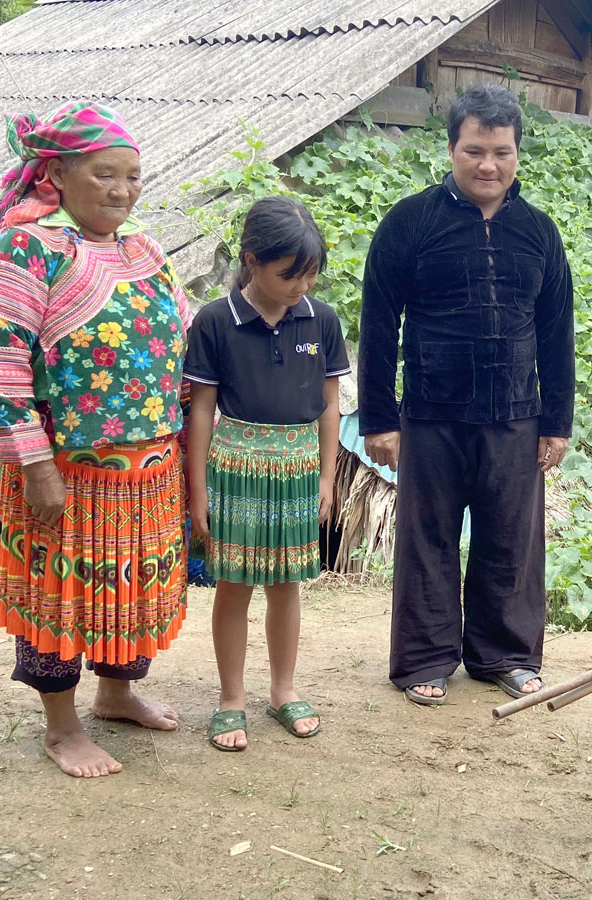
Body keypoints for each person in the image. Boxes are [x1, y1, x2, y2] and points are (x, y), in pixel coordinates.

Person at [0, 101, 190, 777]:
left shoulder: (144, 249)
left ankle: (117, 694)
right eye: (105, 174)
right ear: (58, 175)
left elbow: (186, 345)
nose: (123, 190)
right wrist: (34, 466)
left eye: (132, 176)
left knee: (130, 588)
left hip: (150, 469)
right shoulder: (26, 249)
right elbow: (0, 364)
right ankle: (62, 727)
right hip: (66, 471)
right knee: (63, 593)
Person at [358, 83, 575, 706]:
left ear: (516, 154)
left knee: (510, 539)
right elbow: (379, 325)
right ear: (451, 149)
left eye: (502, 152)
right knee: (427, 539)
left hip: (516, 416)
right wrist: (380, 419)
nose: (489, 165)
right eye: (475, 150)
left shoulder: (538, 232)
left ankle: (502, 656)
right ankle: (424, 659)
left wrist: (555, 421)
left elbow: (559, 331)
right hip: (430, 413)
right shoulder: (410, 223)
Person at [184, 196, 349, 751]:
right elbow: (201, 408)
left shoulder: (321, 319)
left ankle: (283, 691)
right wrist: (198, 489)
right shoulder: (214, 321)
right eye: (288, 275)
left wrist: (327, 479)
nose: (300, 287)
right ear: (252, 261)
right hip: (235, 466)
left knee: (286, 584)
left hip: (300, 467)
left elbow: (331, 405)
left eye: (310, 276)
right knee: (233, 585)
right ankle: (231, 699)